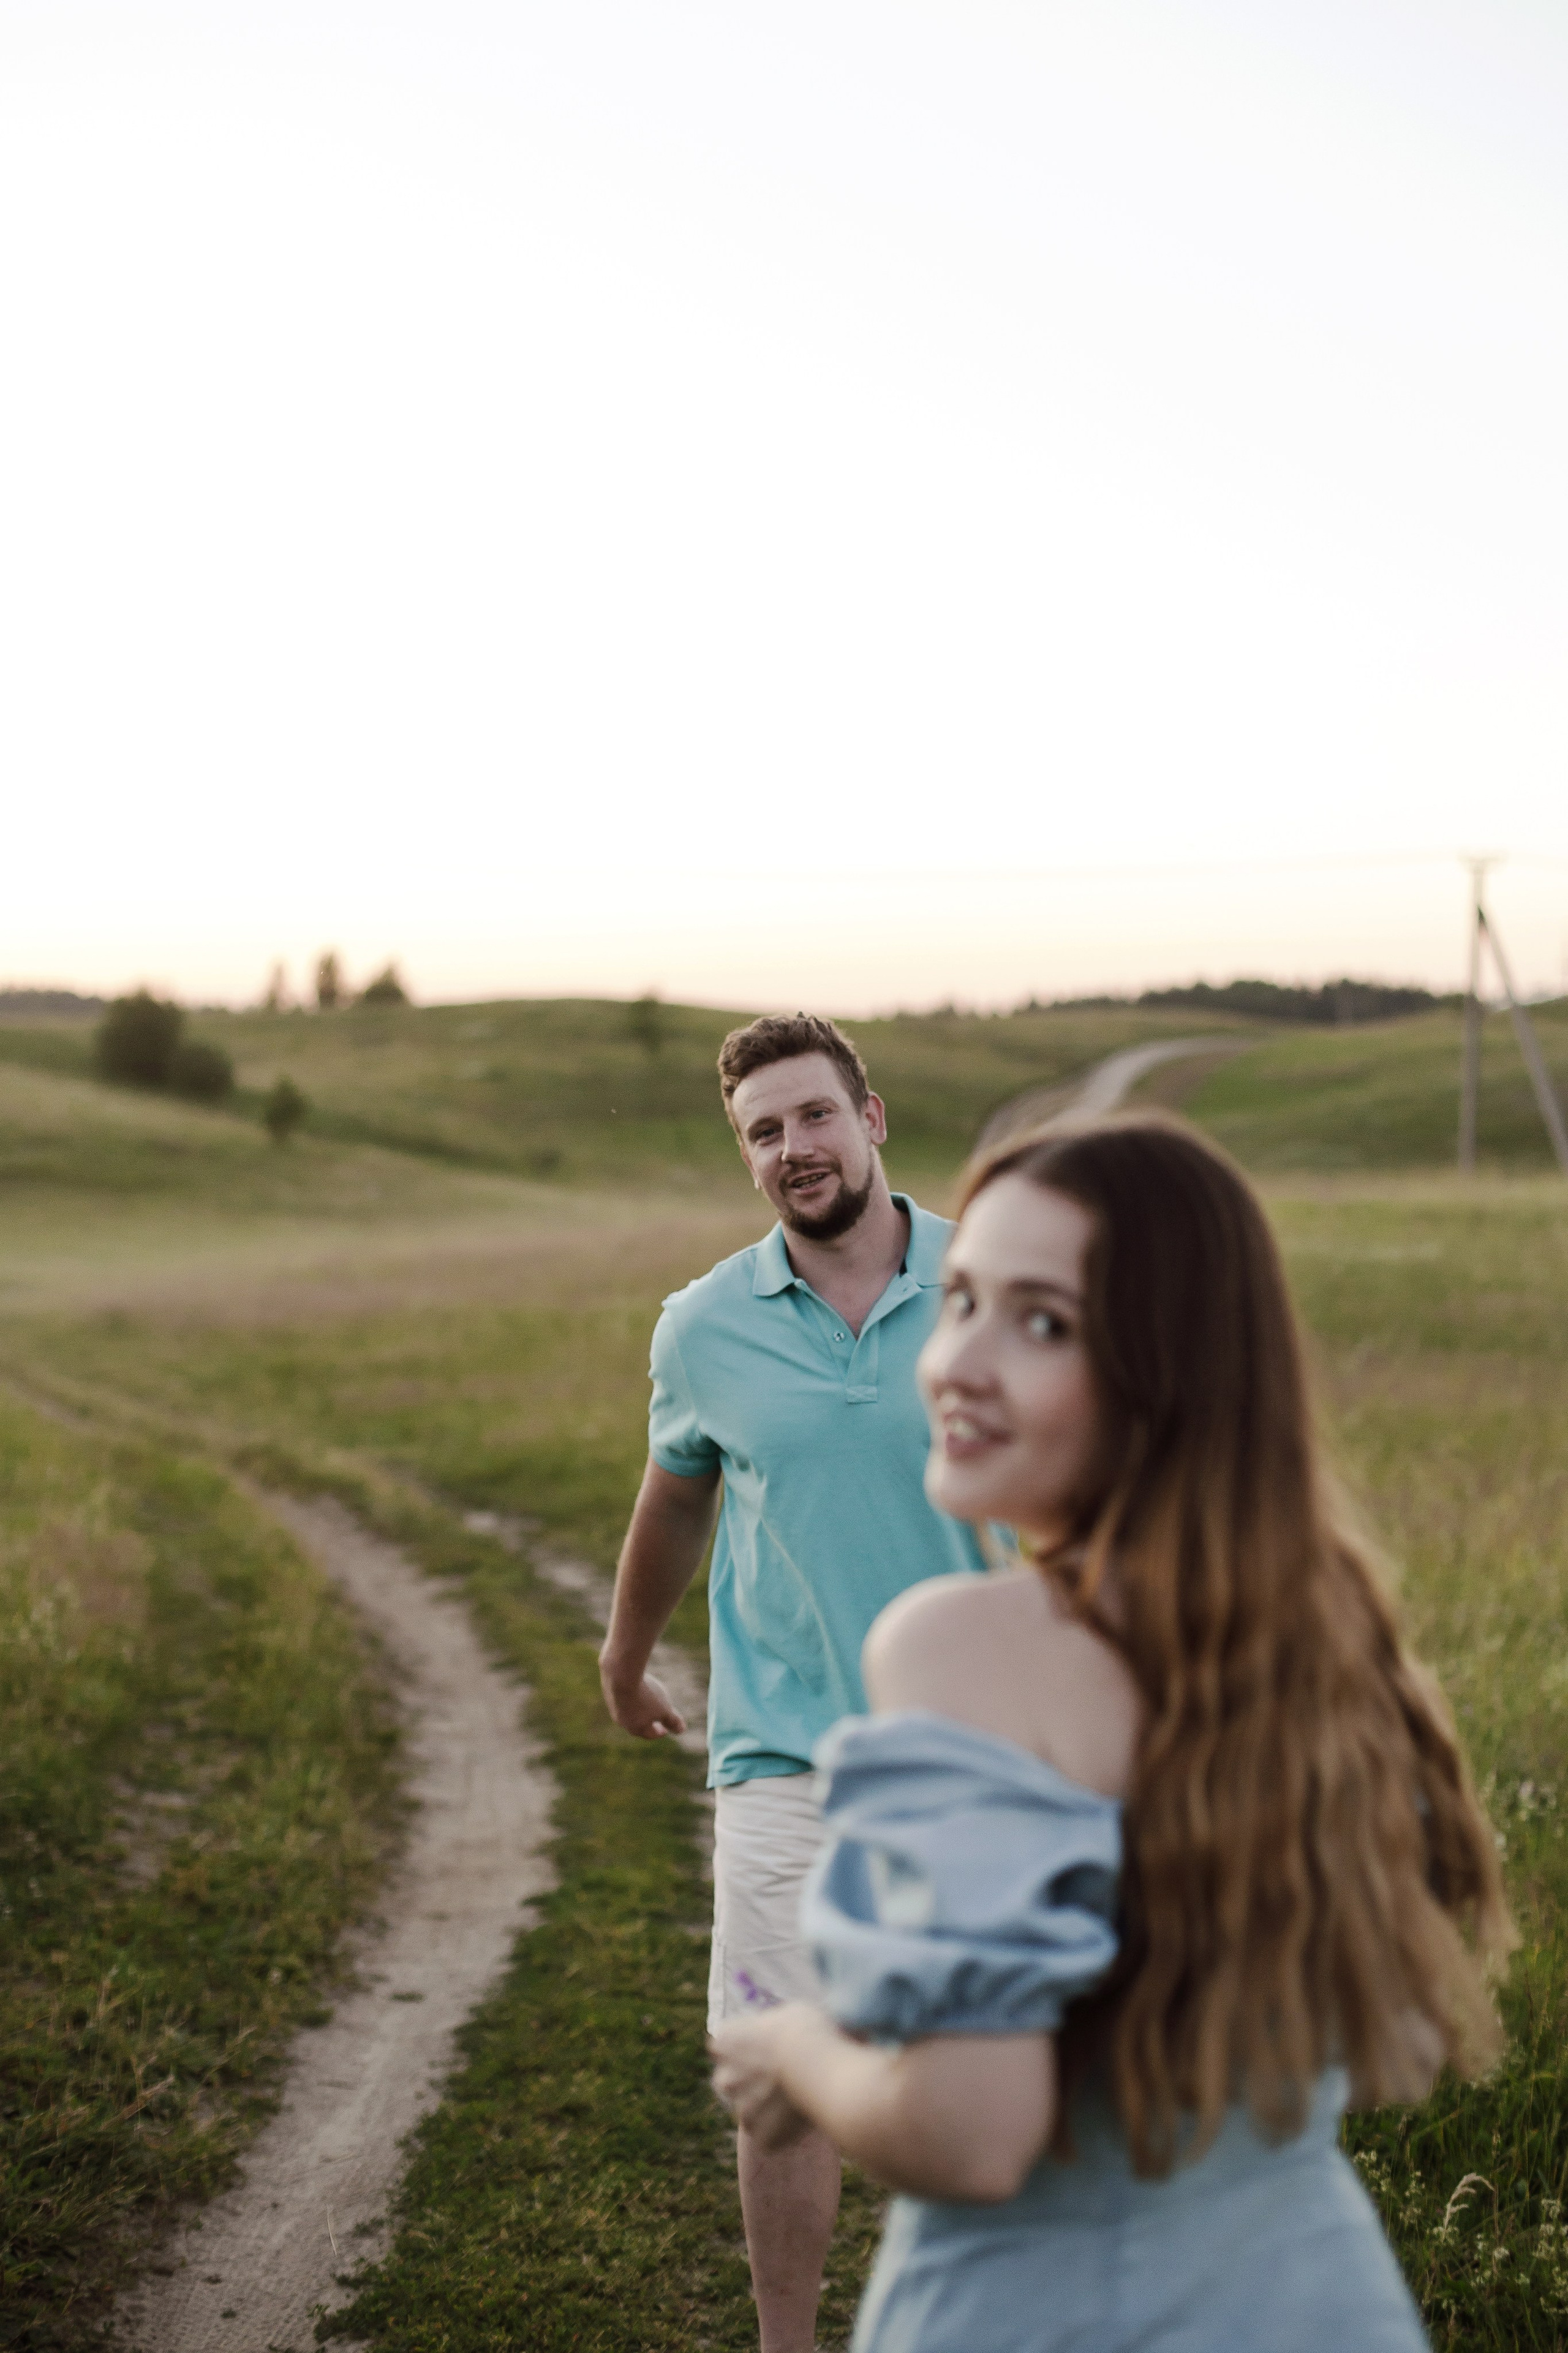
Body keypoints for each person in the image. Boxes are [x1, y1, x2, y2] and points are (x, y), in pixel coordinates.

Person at [711, 1115, 1512, 2352]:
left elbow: (973, 2134)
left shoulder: (956, 1645)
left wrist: (798, 2049)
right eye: (962, 1295)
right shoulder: (1330, 1640)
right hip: (1321, 2301)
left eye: (1041, 1322)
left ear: (1168, 1367)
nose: (957, 1362)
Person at [599, 1012, 984, 2353]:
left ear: (870, 1118)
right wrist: (622, 1650)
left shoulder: (991, 1282)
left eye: (812, 1115)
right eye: (762, 1132)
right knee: (780, 2083)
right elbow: (673, 1501)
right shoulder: (702, 1327)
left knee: (987, 2081)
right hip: (785, 1761)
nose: (791, 1148)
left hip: (979, 1760)